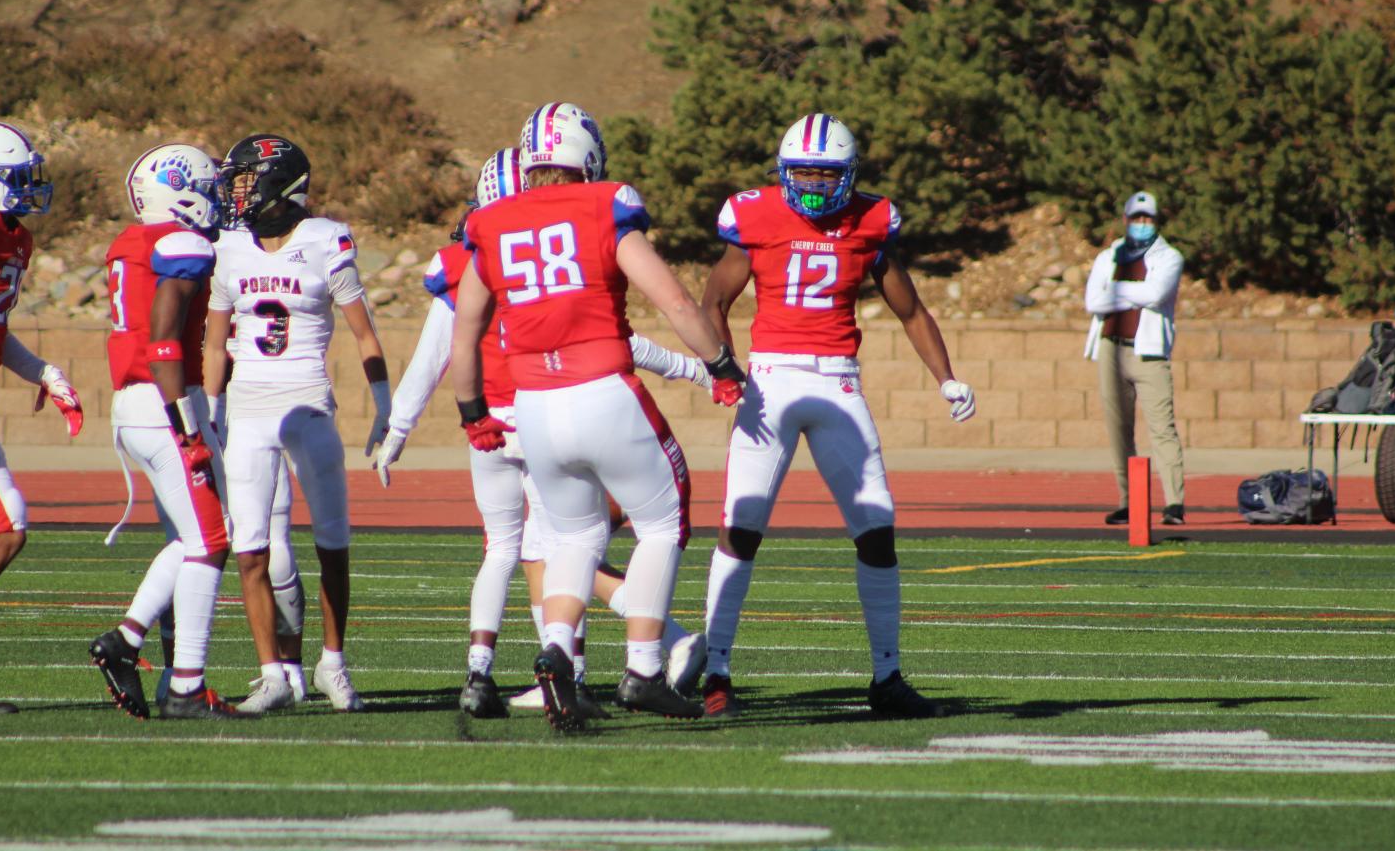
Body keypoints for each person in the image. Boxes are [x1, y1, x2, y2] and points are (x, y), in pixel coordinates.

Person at [376, 147, 709, 717]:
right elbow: (619, 335)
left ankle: (501, 669)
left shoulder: (472, 253)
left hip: (513, 418)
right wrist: (704, 367)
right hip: (566, 404)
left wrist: (407, 426)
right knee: (588, 537)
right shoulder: (577, 230)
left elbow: (442, 354)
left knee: (521, 549)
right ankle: (638, 653)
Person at [450, 102, 744, 732]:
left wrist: (473, 413)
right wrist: (720, 365)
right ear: (585, 155)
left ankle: (557, 650)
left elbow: (466, 330)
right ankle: (642, 668)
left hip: (534, 407)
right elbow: (674, 300)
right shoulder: (603, 204)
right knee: (663, 521)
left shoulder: (491, 221)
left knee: (574, 537)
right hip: (604, 390)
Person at [697, 113, 975, 720]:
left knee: (877, 527)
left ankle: (886, 676)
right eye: (805, 174)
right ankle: (715, 670)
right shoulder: (756, 215)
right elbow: (715, 300)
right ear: (783, 171)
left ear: (849, 175)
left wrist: (946, 377)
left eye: (827, 175)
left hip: (839, 380)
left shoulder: (872, 221)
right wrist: (725, 369)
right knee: (740, 526)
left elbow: (911, 311)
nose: (816, 186)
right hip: (771, 381)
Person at [202, 133, 392, 714]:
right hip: (251, 410)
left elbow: (364, 333)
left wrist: (386, 407)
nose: (235, 189)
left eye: (244, 178)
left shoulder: (323, 239)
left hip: (309, 406)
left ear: (278, 182)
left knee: (332, 542)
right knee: (251, 548)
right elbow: (215, 343)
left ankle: (333, 662)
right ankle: (273, 676)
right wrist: (211, 413)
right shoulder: (230, 247)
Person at [89, 143, 239, 719]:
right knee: (211, 544)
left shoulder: (132, 242)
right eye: (206, 189)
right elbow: (163, 338)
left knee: (195, 536)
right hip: (164, 401)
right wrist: (188, 423)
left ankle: (127, 641)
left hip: (135, 405)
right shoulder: (182, 243)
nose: (215, 201)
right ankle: (185, 687)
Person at [0, 121, 83, 715]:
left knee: (9, 528)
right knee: (8, 527)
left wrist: (44, 373)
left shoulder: (14, 238)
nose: (29, 189)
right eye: (16, 179)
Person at [1083, 190, 1186, 527]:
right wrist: (1133, 293)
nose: (1142, 224)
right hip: (1112, 349)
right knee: (1118, 430)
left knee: (1162, 428)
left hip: (1149, 353)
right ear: (1125, 220)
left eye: (1148, 218)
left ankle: (1174, 504)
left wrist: (1116, 289)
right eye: (1137, 218)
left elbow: (1156, 294)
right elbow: (1093, 302)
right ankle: (1129, 500)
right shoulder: (1108, 256)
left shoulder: (1169, 257)